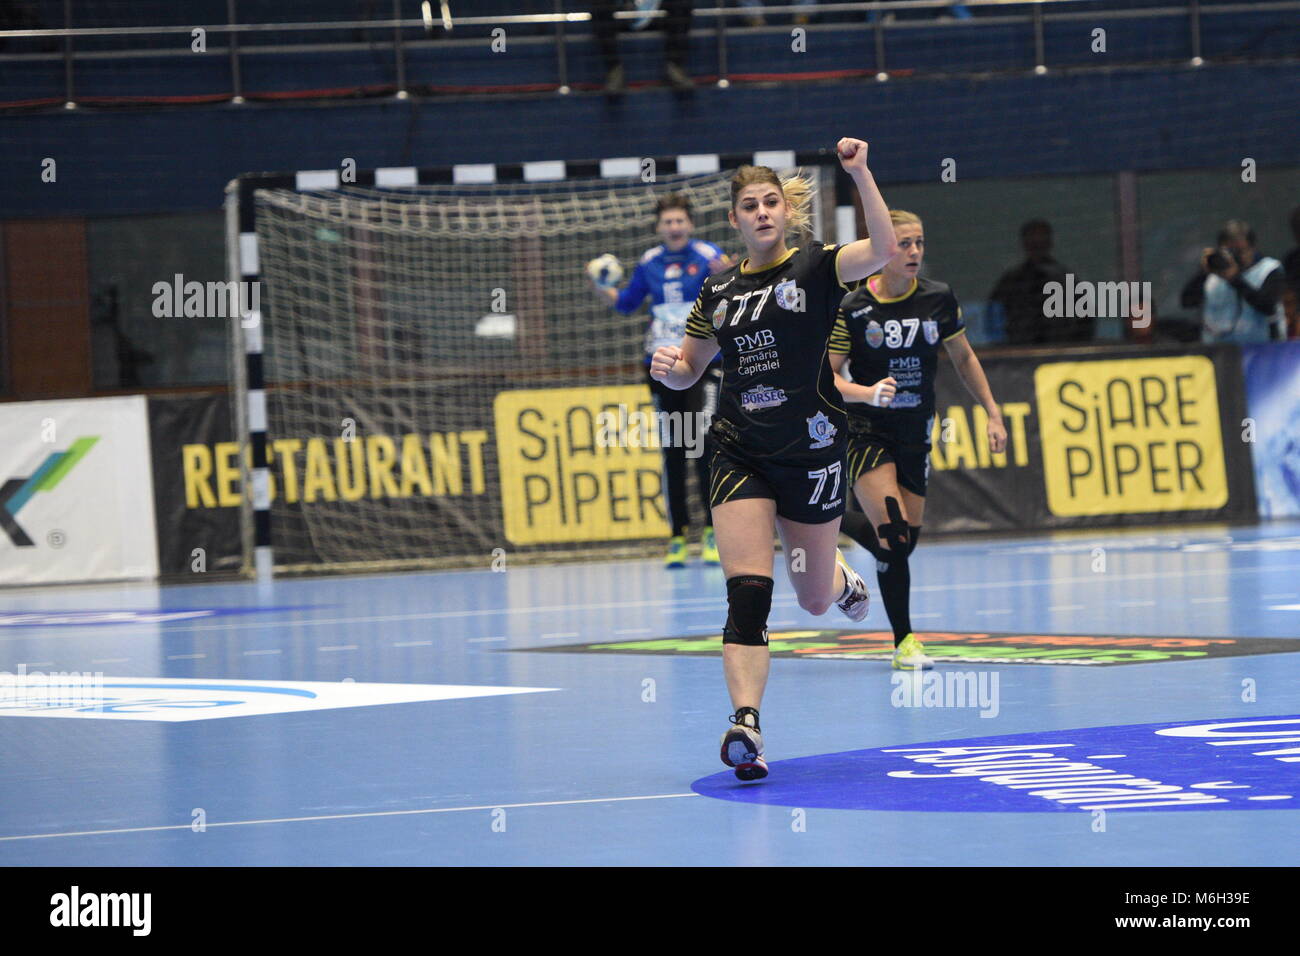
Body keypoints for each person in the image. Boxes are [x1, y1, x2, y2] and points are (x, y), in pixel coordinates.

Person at [650, 138, 897, 781]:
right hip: (740, 449)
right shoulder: (718, 290)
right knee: (749, 590)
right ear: (733, 219)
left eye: (770, 203)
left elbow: (887, 250)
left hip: (812, 452)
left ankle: (839, 577)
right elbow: (689, 372)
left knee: (813, 601)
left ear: (786, 212)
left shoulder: (817, 268)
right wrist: (671, 373)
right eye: (748, 206)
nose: (761, 213)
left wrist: (861, 173)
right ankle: (747, 727)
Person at [830, 209, 1006, 670]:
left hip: (915, 431)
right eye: (904, 243)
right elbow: (825, 379)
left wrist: (992, 411)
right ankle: (905, 642)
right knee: (890, 534)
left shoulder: (937, 298)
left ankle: (820, 521)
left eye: (919, 243)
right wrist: (867, 392)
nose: (913, 252)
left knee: (903, 543)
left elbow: (963, 358)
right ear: (883, 247)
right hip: (867, 430)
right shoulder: (853, 308)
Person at [589, 193, 732, 566]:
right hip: (662, 366)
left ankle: (714, 534)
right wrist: (600, 287)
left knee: (704, 443)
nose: (674, 227)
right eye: (667, 222)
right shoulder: (649, 263)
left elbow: (732, 301)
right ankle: (678, 537)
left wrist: (729, 274)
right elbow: (625, 303)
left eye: (680, 221)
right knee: (675, 449)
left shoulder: (708, 256)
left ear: (690, 224)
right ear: (659, 228)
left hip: (705, 364)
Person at [1181, 219, 1286, 344]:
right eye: (1230, 252)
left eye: (1240, 251)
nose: (1235, 257)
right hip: (1218, 351)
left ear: (1252, 248)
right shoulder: (1213, 275)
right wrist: (1203, 273)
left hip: (1260, 350)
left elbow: (1268, 305)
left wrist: (1234, 278)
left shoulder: (1268, 270)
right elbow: (1186, 302)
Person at [987, 219, 1088, 345]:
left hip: (1059, 353)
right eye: (1033, 241)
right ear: (1025, 244)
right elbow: (993, 317)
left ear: (1049, 243)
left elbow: (1085, 320)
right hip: (1019, 354)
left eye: (1041, 240)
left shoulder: (1066, 279)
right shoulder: (1010, 281)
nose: (1037, 245)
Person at [590, 0, 695, 94]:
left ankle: (674, 67)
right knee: (599, 4)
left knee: (682, 2)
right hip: (621, 12)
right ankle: (614, 71)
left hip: (655, 12)